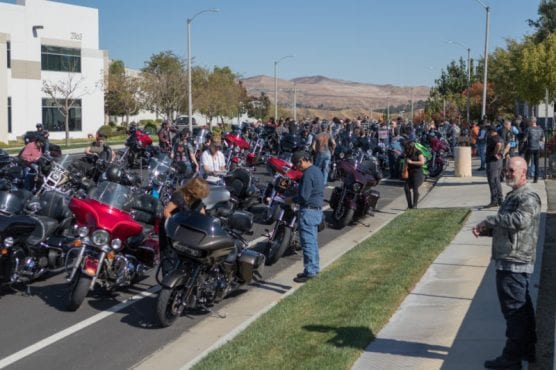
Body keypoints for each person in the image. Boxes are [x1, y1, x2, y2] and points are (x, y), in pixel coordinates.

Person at [473, 156, 541, 370]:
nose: (507, 173)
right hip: (509, 259)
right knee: (523, 309)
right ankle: (527, 349)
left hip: (514, 261)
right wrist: (487, 231)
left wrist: (490, 220)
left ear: (524, 172)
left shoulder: (528, 197)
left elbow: (520, 221)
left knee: (514, 312)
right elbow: (508, 226)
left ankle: (511, 358)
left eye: (512, 170)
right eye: (506, 170)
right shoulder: (515, 195)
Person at [287, 151, 324, 283]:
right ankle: (313, 268)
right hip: (317, 211)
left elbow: (304, 196)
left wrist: (291, 199)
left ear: (302, 161)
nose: (297, 168)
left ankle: (310, 272)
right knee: (313, 242)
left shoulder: (307, 174)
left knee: (307, 243)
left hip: (308, 211)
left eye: (296, 165)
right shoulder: (317, 171)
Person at [402, 141, 425, 209]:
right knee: (406, 188)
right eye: (406, 148)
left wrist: (412, 162)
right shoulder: (407, 153)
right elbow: (405, 161)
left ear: (412, 147)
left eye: (408, 148)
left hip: (417, 173)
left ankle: (415, 205)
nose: (407, 150)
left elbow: (422, 162)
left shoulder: (418, 152)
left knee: (415, 188)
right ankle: (409, 205)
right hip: (410, 173)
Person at [485, 126, 504, 208]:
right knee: (497, 181)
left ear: (491, 132)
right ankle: (500, 199)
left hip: (493, 162)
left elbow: (498, 145)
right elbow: (506, 145)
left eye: (488, 132)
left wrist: (495, 153)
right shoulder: (500, 137)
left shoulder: (493, 138)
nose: (487, 134)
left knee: (492, 181)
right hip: (499, 162)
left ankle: (494, 201)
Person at [523, 117, 544, 183]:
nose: (529, 122)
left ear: (531, 122)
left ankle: (525, 177)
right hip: (537, 148)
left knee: (526, 163)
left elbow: (525, 139)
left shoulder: (528, 129)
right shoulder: (540, 129)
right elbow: (543, 139)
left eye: (529, 121)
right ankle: (536, 178)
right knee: (536, 163)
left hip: (529, 147)